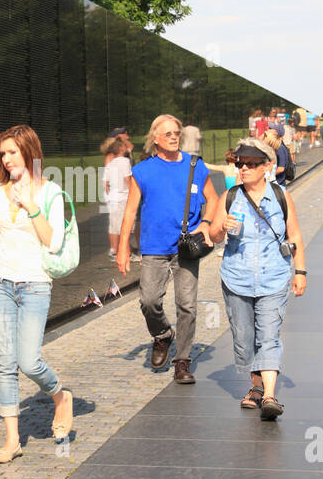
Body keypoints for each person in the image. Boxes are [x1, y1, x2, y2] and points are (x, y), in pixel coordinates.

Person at [0, 124, 73, 463]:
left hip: (34, 285)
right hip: (1, 284)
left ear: (29, 152)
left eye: (12, 152)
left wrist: (31, 205)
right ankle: (12, 440)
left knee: (29, 361)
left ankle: (60, 397)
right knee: (6, 363)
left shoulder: (49, 192)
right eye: (2, 153)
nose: (7, 158)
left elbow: (53, 242)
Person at [208, 138, 307, 420]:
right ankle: (255, 387)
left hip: (274, 277)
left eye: (252, 164)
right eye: (241, 164)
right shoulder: (229, 196)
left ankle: (270, 395)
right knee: (244, 337)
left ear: (266, 167)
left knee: (269, 336)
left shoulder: (280, 196)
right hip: (237, 278)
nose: (244, 169)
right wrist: (221, 229)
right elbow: (213, 236)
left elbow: (295, 235)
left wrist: (300, 271)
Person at [116, 113, 219, 384]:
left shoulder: (195, 166)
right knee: (149, 300)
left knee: (187, 306)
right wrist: (124, 247)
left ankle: (182, 361)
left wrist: (206, 223)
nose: (174, 137)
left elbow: (213, 199)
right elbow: (130, 212)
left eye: (176, 133)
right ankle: (162, 336)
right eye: (168, 134)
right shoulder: (142, 171)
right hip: (154, 246)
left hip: (186, 247)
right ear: (155, 140)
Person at [101, 135, 133, 258]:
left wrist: (110, 194)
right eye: (124, 145)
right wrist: (133, 193)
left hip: (112, 198)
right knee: (125, 225)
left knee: (113, 225)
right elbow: (127, 179)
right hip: (122, 198)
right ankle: (127, 253)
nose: (126, 147)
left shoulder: (111, 163)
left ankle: (114, 250)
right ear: (120, 148)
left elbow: (105, 183)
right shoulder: (125, 161)